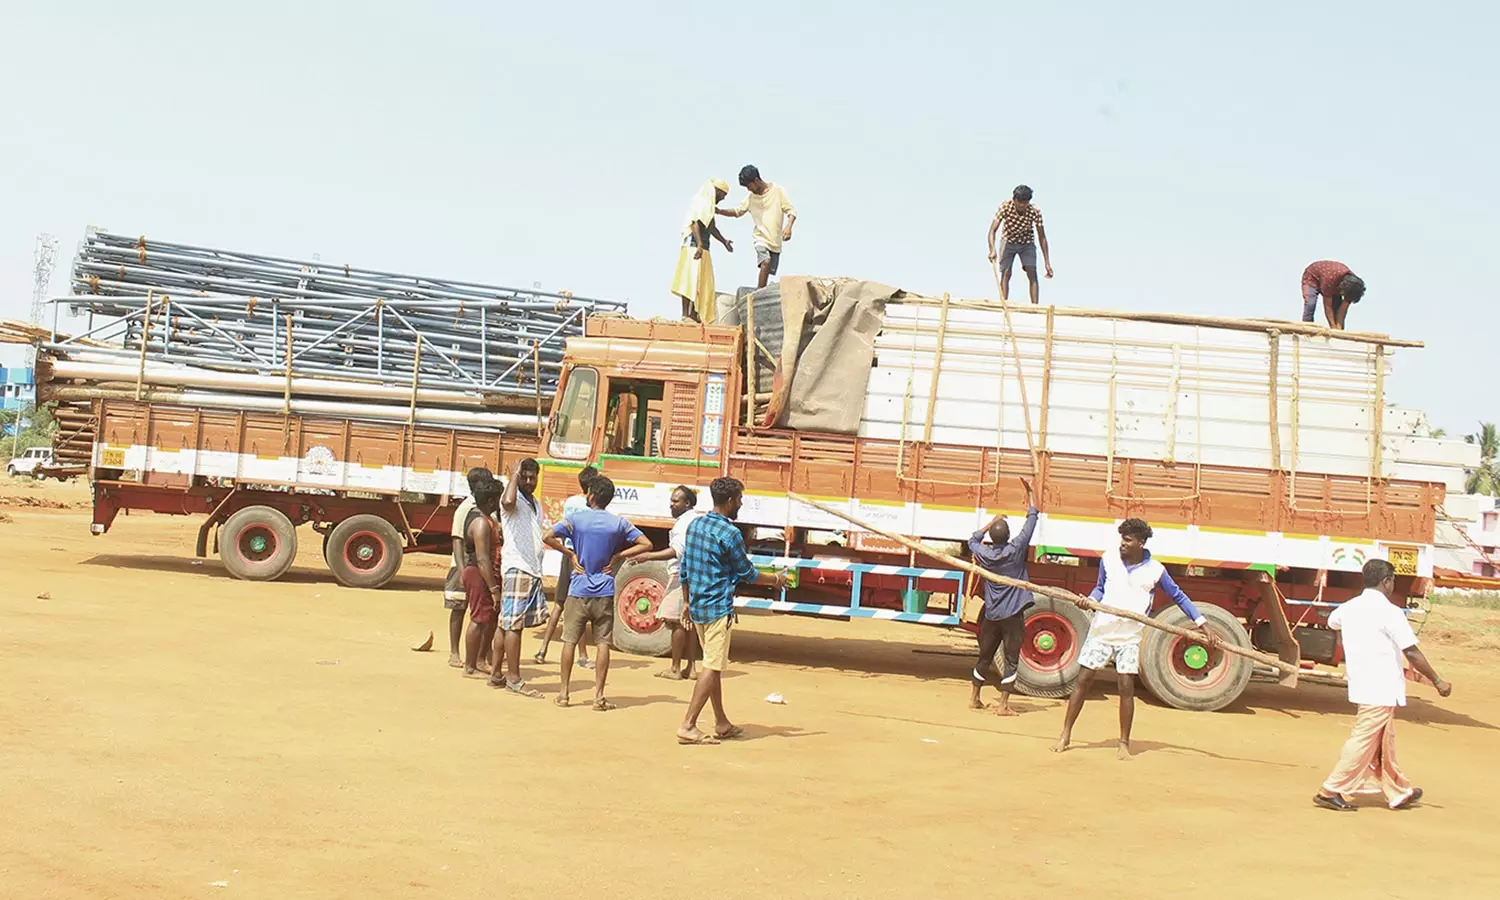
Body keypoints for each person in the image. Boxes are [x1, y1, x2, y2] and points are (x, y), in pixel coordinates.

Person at [1052, 518, 1213, 759]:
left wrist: (1202, 624)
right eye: (1122, 539)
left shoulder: (1155, 570)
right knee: (1083, 680)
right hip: (1103, 630)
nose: (1123, 544)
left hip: (1130, 635)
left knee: (1125, 687)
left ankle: (1124, 743)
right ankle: (1065, 734)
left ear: (1141, 542)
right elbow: (1100, 588)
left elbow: (1179, 597)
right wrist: (1090, 600)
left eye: (1128, 540)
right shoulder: (1108, 559)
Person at [1314, 559, 1452, 812]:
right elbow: (1411, 652)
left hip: (1362, 682)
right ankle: (1330, 790)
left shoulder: (1349, 608)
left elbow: (1333, 622)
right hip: (1381, 686)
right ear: (1387, 581)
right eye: (1393, 581)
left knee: (1383, 739)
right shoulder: (1390, 612)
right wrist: (1437, 680)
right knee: (1364, 739)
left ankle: (1398, 790)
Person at [676, 477, 788, 745]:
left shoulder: (695, 525)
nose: (741, 504)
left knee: (712, 665)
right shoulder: (730, 533)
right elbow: (747, 573)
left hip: (698, 605)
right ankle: (688, 725)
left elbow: (685, 568)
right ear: (729, 501)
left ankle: (721, 722)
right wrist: (775, 580)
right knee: (712, 667)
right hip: (717, 607)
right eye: (739, 499)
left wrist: (687, 602)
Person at [544, 475, 653, 710]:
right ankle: (599, 696)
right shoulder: (618, 523)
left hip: (578, 588)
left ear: (591, 495)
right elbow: (646, 544)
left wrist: (570, 554)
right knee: (603, 643)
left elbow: (547, 537)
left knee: (569, 641)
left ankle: (564, 694)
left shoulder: (576, 519)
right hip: (604, 589)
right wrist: (617, 556)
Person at [966, 478, 1039, 716]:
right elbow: (1032, 519)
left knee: (985, 656)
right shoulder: (1015, 550)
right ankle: (1003, 705)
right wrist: (1030, 493)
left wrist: (991, 522)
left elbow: (972, 540)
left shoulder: (984, 554)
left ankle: (975, 698)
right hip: (1012, 615)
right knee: (1011, 659)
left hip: (992, 614)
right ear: (1008, 536)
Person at [487, 458, 549, 696]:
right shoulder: (512, 497)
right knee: (514, 625)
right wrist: (513, 475)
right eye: (525, 477)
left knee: (506, 623)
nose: (529, 481)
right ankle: (513, 678)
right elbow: (507, 502)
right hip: (518, 567)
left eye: (533, 477)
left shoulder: (535, 503)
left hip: (531, 569)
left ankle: (496, 673)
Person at [634, 485, 703, 680]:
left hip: (681, 576)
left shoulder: (683, 523)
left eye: (675, 501)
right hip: (694, 575)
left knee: (677, 622)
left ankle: (675, 668)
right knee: (690, 623)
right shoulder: (696, 519)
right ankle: (691, 668)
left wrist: (648, 556)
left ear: (687, 503)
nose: (671, 504)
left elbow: (676, 551)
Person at [533, 465, 598, 668]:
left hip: (567, 554)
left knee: (559, 604)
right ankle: (583, 656)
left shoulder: (570, 503)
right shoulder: (591, 508)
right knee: (579, 605)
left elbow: (563, 529)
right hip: (582, 557)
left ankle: (542, 649)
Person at [717, 165, 797, 289]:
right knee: (765, 262)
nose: (749, 190)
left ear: (756, 180)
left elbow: (791, 211)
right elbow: (737, 211)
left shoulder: (777, 191)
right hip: (760, 238)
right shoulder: (751, 198)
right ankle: (759, 294)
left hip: (775, 241)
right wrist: (719, 211)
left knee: (768, 270)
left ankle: (762, 291)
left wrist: (788, 227)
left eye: (749, 186)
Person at [445, 467, 494, 667]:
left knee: (482, 611)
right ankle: (454, 652)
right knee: (459, 607)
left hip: (479, 566)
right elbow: (457, 539)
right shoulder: (465, 508)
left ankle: (483, 654)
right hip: (465, 565)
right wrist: (461, 570)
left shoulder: (486, 507)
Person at [670, 179, 734, 322]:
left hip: (703, 247)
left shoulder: (709, 205)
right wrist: (699, 245)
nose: (723, 198)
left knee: (702, 283)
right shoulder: (701, 201)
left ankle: (694, 313)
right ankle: (685, 314)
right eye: (723, 195)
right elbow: (694, 223)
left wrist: (724, 241)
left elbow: (711, 227)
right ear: (717, 191)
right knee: (689, 281)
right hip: (693, 246)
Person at [460, 480, 504, 677]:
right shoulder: (480, 523)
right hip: (479, 574)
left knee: (489, 618)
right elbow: (482, 558)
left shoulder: (485, 519)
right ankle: (469, 667)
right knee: (478, 619)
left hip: (485, 574)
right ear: (492, 500)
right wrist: (494, 589)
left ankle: (479, 660)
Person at [987, 184, 1053, 305]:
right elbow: (992, 231)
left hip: (1026, 242)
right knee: (1006, 272)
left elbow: (1042, 237)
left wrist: (1047, 263)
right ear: (1014, 199)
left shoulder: (1034, 211)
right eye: (1020, 202)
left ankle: (1035, 307)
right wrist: (992, 249)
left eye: (1025, 202)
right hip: (1008, 240)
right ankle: (1004, 304)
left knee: (1031, 271)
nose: (1022, 205)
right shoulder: (1005, 207)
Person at [1301, 260, 1366, 330]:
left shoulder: (1354, 287)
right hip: (1312, 278)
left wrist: (1339, 329)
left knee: (1336, 308)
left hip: (1335, 284)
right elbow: (1328, 307)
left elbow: (1343, 309)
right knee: (1310, 304)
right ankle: (1307, 329)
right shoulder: (1330, 279)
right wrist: (1333, 327)